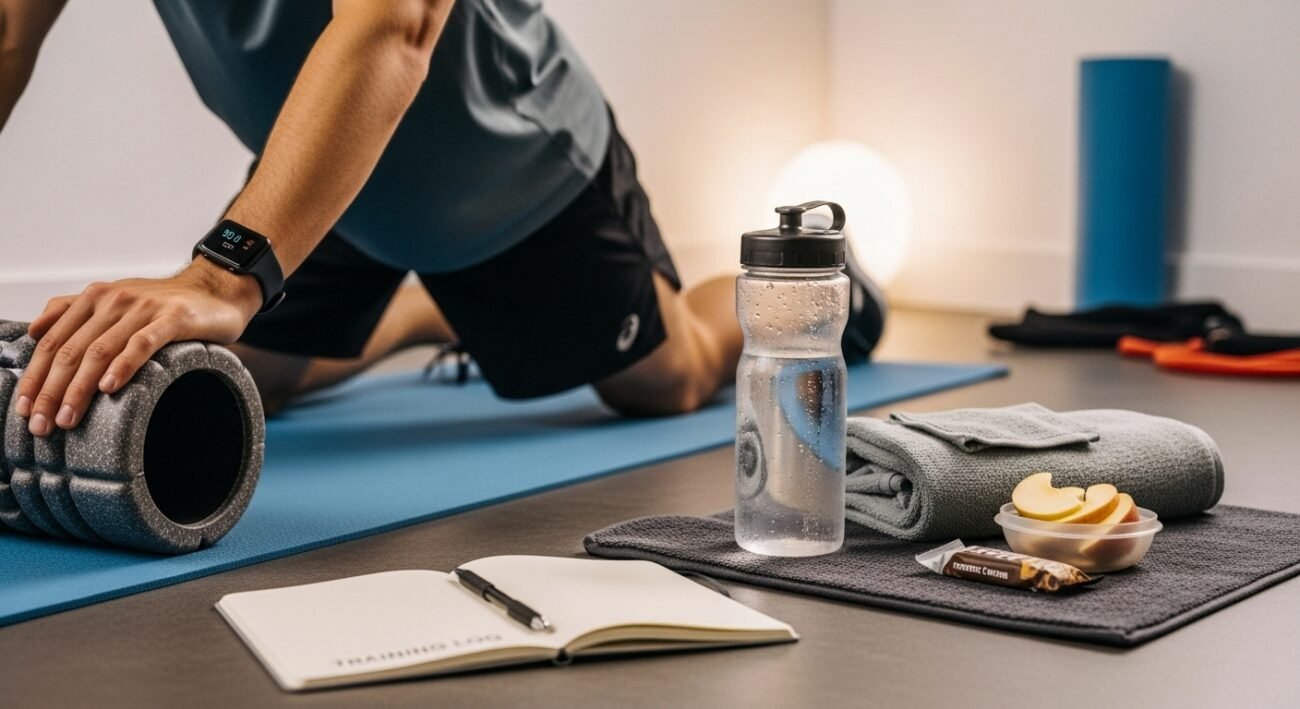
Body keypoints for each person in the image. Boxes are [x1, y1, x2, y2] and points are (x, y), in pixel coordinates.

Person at [0, 0, 885, 437]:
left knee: (665, 380)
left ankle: (816, 282)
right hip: (331, 175)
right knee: (215, 377)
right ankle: (434, 309)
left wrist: (220, 274)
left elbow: (394, 24)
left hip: (507, 167)